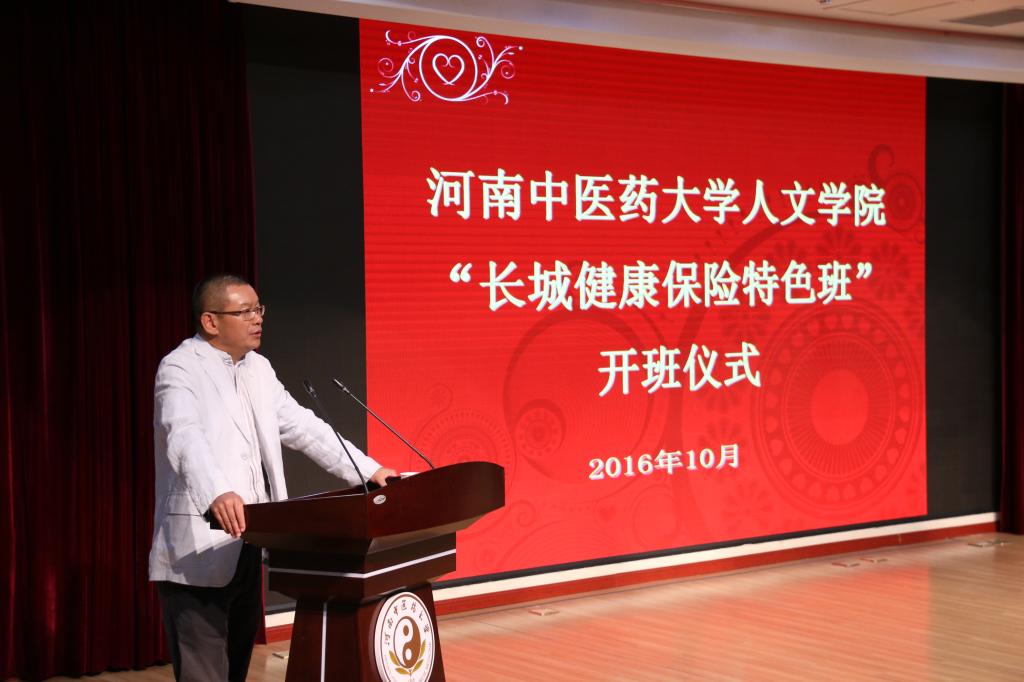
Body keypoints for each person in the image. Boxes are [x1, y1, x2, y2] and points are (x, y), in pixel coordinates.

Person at [148, 273, 396, 681]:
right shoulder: (179, 368)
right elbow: (184, 435)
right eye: (244, 311)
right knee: (202, 673)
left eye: (258, 309)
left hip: (250, 539)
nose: (257, 318)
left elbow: (304, 427)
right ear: (210, 321)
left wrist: (368, 470)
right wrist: (216, 492)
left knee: (236, 667)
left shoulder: (258, 369)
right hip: (199, 540)